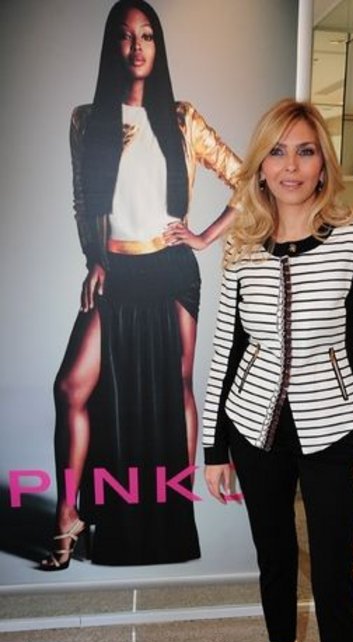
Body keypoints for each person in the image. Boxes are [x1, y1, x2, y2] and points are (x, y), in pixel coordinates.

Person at [203, 99, 353, 642]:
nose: (290, 166)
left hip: (335, 431)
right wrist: (213, 445)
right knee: (275, 558)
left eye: (305, 151)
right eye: (277, 152)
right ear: (259, 166)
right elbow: (227, 349)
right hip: (255, 428)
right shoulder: (241, 245)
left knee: (334, 573)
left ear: (322, 164)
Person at [40, 0, 240, 570]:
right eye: (126, 36)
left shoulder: (182, 118)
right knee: (72, 387)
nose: (137, 47)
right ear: (113, 46)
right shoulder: (87, 120)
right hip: (118, 270)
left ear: (158, 46)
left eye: (147, 35)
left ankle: (174, 513)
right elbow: (83, 200)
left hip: (171, 270)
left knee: (177, 387)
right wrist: (95, 258)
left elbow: (248, 178)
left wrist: (204, 236)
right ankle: (68, 515)